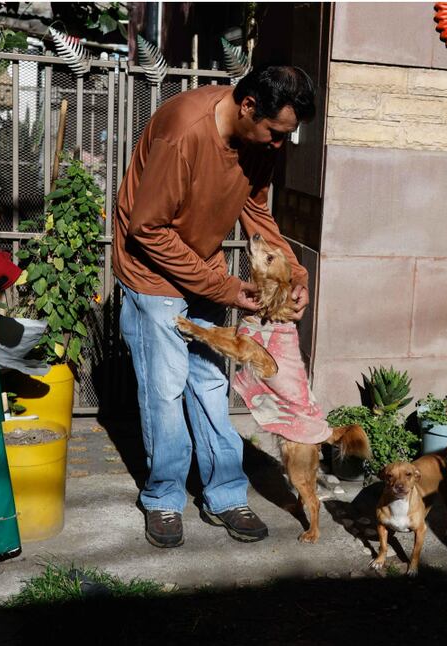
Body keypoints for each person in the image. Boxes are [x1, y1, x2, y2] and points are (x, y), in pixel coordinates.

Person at [112, 65, 316, 548]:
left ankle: (224, 494)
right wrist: (225, 288)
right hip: (152, 271)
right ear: (248, 107)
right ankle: (163, 497)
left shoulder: (260, 143)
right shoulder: (183, 132)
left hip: (199, 266)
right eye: (275, 132)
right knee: (165, 388)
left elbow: (257, 214)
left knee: (208, 382)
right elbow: (148, 229)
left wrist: (295, 274)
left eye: (287, 136)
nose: (278, 145)